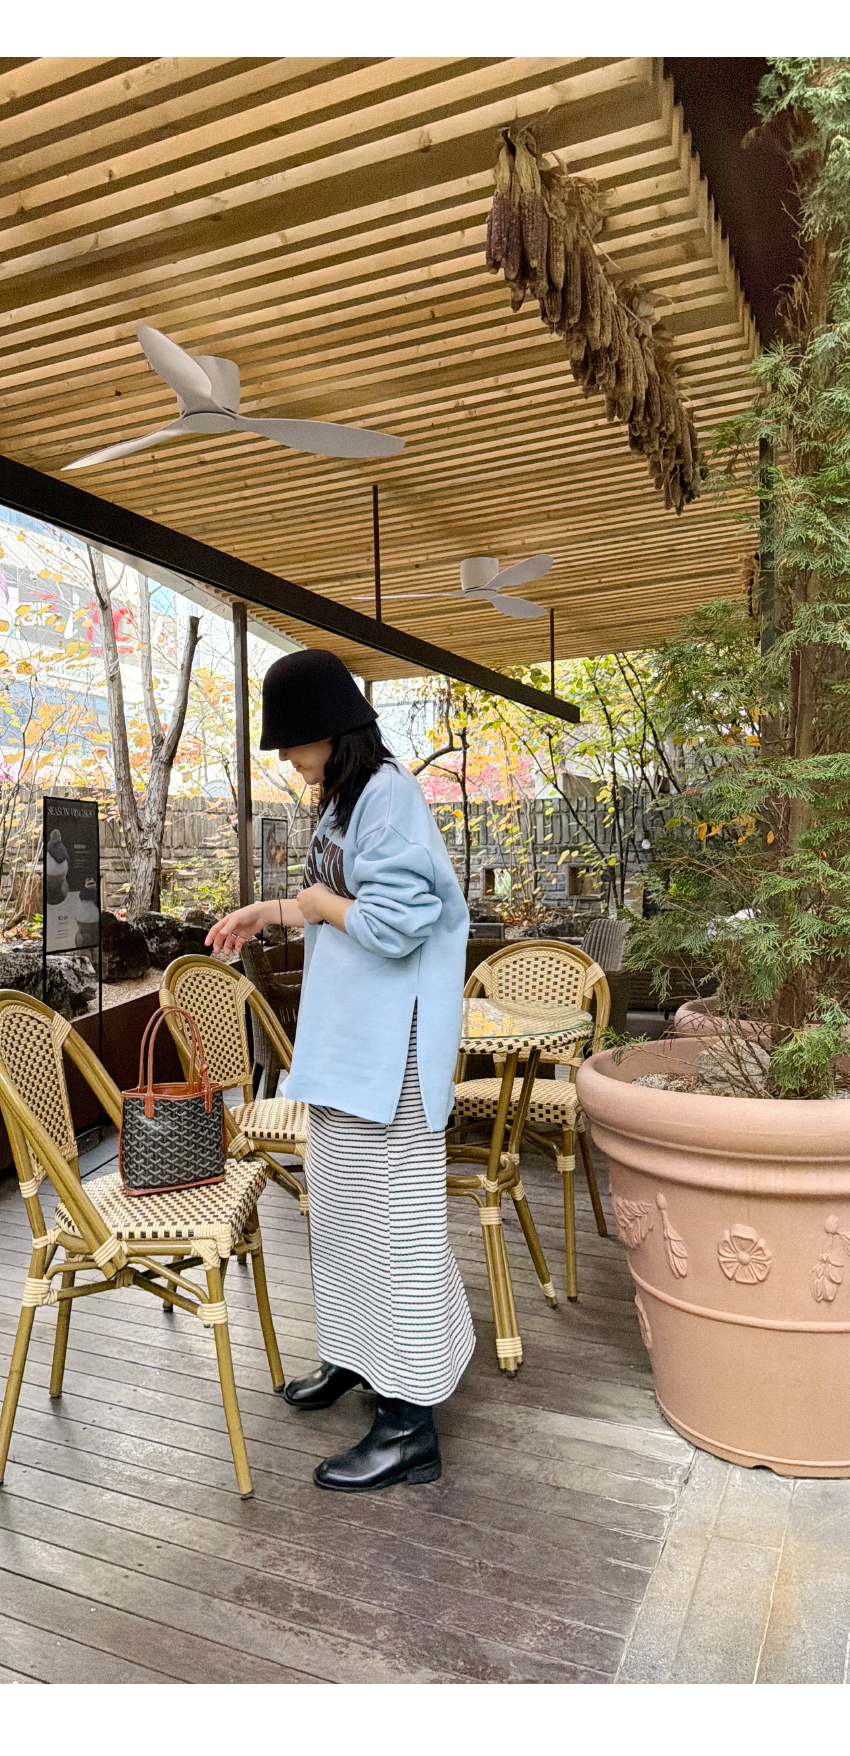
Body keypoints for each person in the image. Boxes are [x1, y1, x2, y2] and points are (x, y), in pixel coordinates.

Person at [206, 649, 475, 1492]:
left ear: (329, 727)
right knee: (345, 1218)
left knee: (395, 1230)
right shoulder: (343, 799)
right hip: (350, 1045)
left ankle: (409, 1423)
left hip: (390, 1054)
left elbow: (394, 924)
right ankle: (360, 1359)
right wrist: (272, 910)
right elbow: (333, 901)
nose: (288, 758)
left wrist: (319, 905)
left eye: (292, 742)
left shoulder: (388, 795)